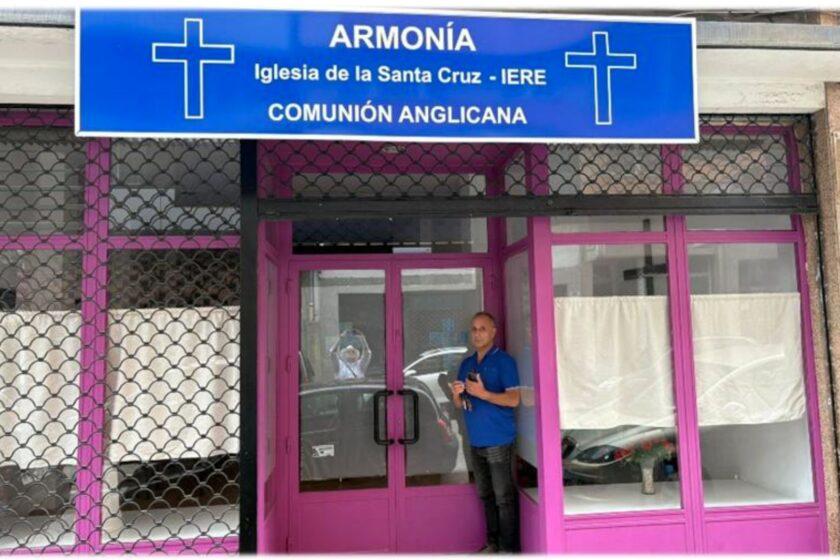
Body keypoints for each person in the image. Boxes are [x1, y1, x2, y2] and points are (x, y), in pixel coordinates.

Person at [450, 311, 520, 553]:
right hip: (475, 440)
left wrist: (485, 394)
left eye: (482, 329)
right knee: (486, 496)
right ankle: (493, 545)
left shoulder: (504, 361)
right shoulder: (467, 364)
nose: (477, 334)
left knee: (504, 499)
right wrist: (456, 395)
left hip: (499, 440)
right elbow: (461, 405)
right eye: (474, 329)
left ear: (493, 332)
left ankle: (508, 550)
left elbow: (514, 399)